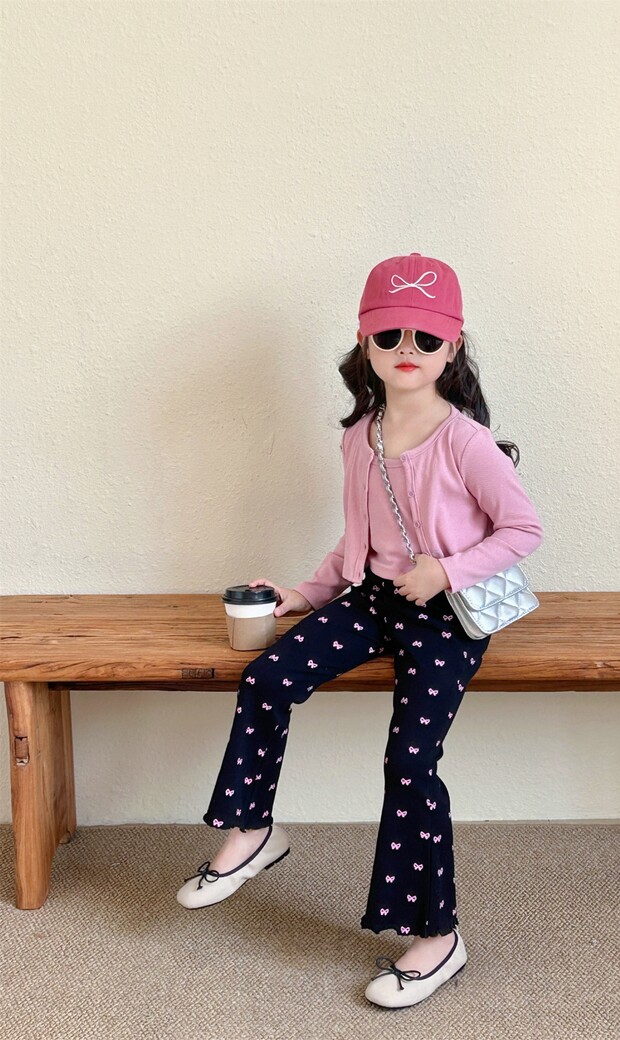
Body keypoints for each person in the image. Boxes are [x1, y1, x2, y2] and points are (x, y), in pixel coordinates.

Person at [176, 252, 543, 1008]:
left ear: (452, 347)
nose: (408, 349)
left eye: (426, 338)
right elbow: (358, 539)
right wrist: (305, 595)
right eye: (390, 335)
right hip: (374, 600)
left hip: (447, 617)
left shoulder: (466, 443)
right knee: (267, 678)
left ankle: (438, 938)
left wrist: (447, 572)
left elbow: (523, 530)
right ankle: (252, 831)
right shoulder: (361, 435)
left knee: (409, 762)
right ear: (364, 343)